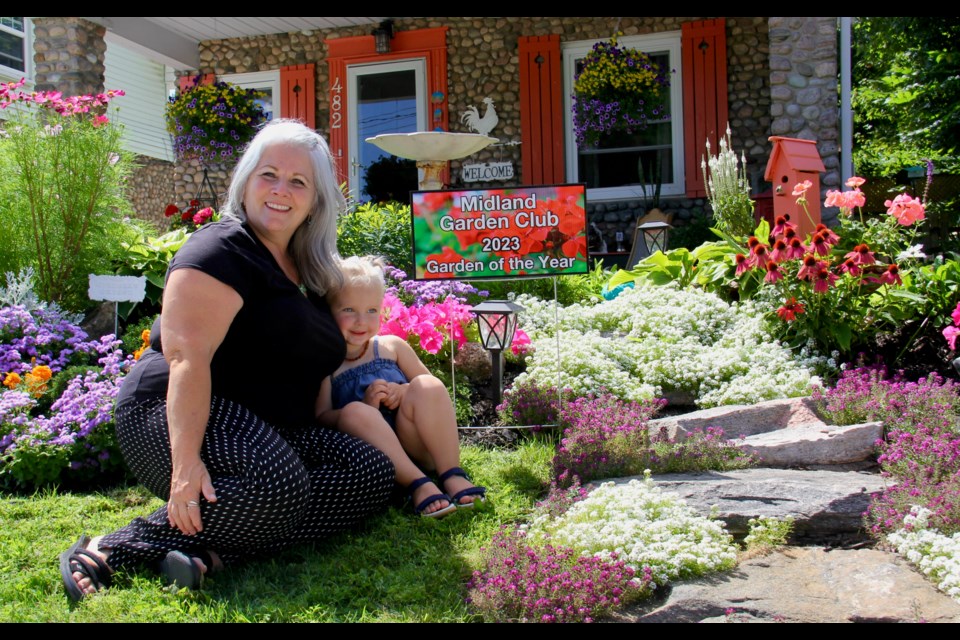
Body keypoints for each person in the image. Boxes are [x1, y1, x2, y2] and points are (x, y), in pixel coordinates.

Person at [59, 119, 396, 601]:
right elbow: (186, 360)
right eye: (269, 174)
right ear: (245, 181)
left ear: (316, 198)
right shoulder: (221, 250)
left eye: (298, 181)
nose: (281, 190)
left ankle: (212, 554)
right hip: (172, 412)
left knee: (366, 471)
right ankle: (115, 548)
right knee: (276, 484)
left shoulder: (310, 264)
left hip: (260, 428)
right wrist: (185, 465)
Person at [316, 255, 487, 518]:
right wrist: (365, 407)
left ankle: (451, 472)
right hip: (379, 457)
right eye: (349, 310)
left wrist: (404, 390)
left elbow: (432, 393)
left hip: (417, 442)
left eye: (372, 310)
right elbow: (322, 418)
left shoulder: (392, 347)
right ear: (327, 312)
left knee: (426, 384)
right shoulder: (327, 365)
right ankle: (419, 484)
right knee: (354, 412)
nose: (362, 320)